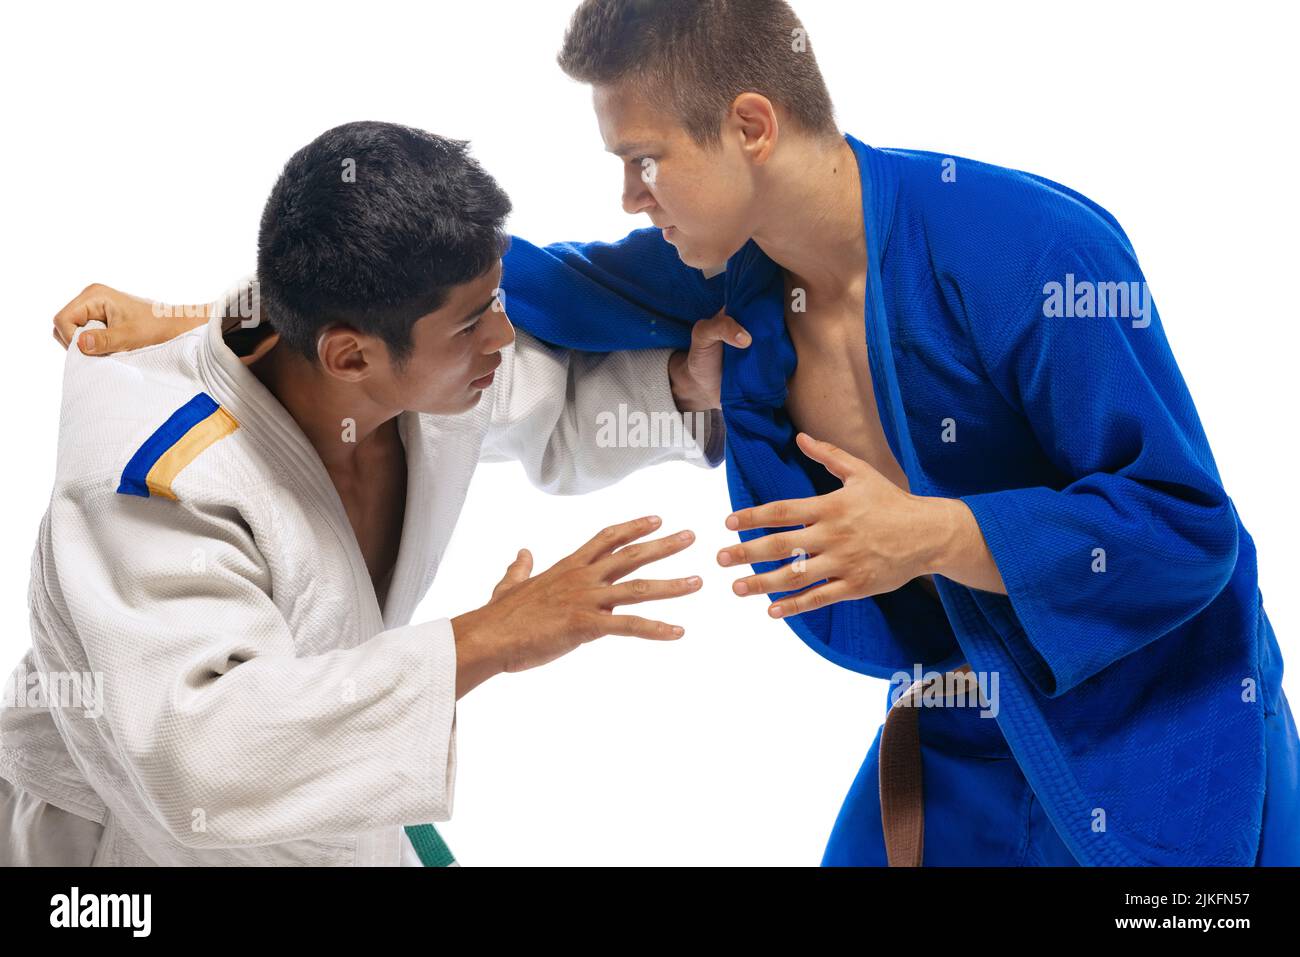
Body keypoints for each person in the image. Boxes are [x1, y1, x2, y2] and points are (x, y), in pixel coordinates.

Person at [2, 120, 735, 866]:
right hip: (119, 841)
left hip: (317, 793)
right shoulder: (149, 481)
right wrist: (487, 637)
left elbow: (551, 404)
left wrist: (679, 384)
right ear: (349, 355)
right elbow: (207, 756)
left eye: (498, 302)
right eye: (475, 321)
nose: (504, 337)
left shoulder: (395, 361)